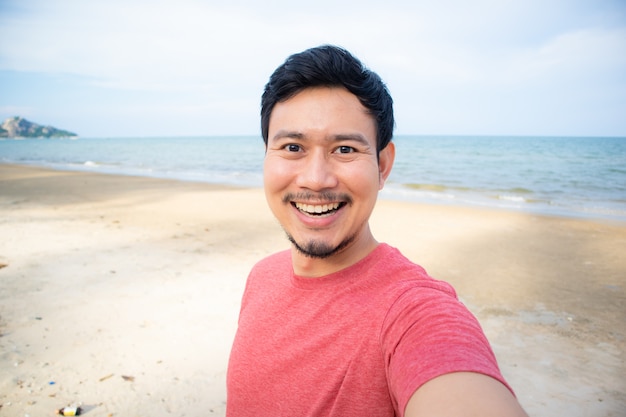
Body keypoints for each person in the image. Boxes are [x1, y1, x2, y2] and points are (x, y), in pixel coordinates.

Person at [226, 45, 528, 417]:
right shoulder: (262, 277)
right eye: (292, 147)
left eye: (345, 149)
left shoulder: (413, 311)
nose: (316, 179)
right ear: (266, 157)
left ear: (383, 166)